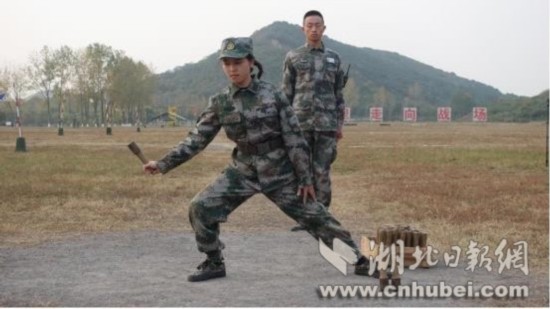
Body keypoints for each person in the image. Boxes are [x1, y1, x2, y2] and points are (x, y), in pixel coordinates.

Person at [143, 37, 377, 282]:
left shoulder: (273, 95)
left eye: (238, 62)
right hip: (242, 171)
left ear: (251, 62)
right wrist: (162, 163)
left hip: (280, 172)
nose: (232, 68)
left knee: (317, 217)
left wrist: (305, 178)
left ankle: (359, 261)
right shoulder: (220, 102)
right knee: (200, 207)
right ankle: (213, 261)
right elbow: (196, 139)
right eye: (227, 63)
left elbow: (294, 137)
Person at [282, 10, 345, 231]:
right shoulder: (293, 57)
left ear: (324, 28)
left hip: (327, 125)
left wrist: (339, 124)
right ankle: (305, 217)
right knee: (302, 171)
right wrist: (285, 126)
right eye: (310, 25)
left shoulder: (334, 58)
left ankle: (322, 216)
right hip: (300, 124)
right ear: (303, 29)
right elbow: (286, 95)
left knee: (322, 170)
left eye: (318, 25)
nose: (314, 29)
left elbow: (339, 95)